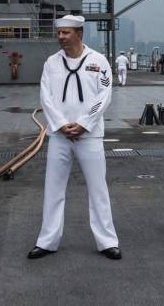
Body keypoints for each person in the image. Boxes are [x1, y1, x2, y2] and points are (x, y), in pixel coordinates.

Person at [28, 15, 121, 260]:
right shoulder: (51, 63)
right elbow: (45, 96)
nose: (61, 37)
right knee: (53, 189)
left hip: (89, 136)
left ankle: (107, 241)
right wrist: (59, 125)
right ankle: (47, 241)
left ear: (80, 33)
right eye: (59, 33)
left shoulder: (98, 61)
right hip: (59, 137)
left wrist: (83, 123)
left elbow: (104, 96)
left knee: (98, 189)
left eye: (66, 33)